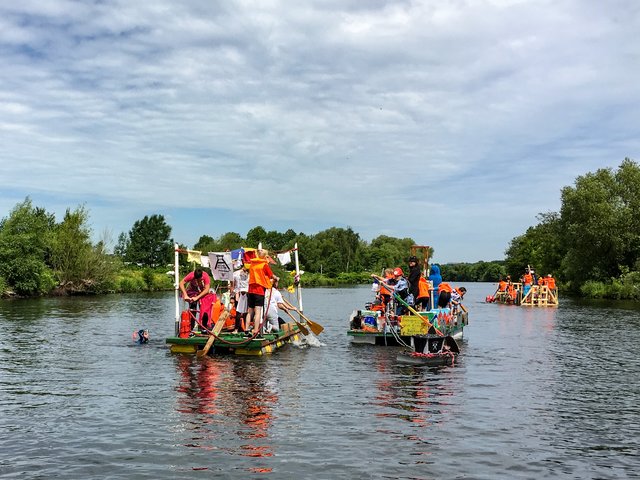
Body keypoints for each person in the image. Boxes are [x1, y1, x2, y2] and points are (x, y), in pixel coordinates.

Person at [245, 249, 278, 336]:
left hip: (250, 290)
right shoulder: (264, 265)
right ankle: (256, 330)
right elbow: (271, 275)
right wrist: (276, 278)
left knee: (250, 311)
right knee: (258, 311)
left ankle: (246, 329)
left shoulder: (252, 264)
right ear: (264, 256)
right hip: (259, 290)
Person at [231, 262, 250, 333]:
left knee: (246, 312)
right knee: (239, 312)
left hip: (245, 293)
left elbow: (232, 286)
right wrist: (232, 296)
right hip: (239, 293)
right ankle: (238, 329)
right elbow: (232, 286)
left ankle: (245, 328)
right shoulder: (236, 274)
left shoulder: (249, 274)